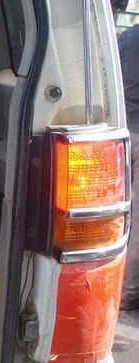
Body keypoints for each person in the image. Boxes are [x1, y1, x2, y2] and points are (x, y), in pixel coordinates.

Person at [116, 1, 139, 310]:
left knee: (120, 213)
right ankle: (129, 290)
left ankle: (124, 289)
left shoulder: (125, 39)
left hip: (123, 132)